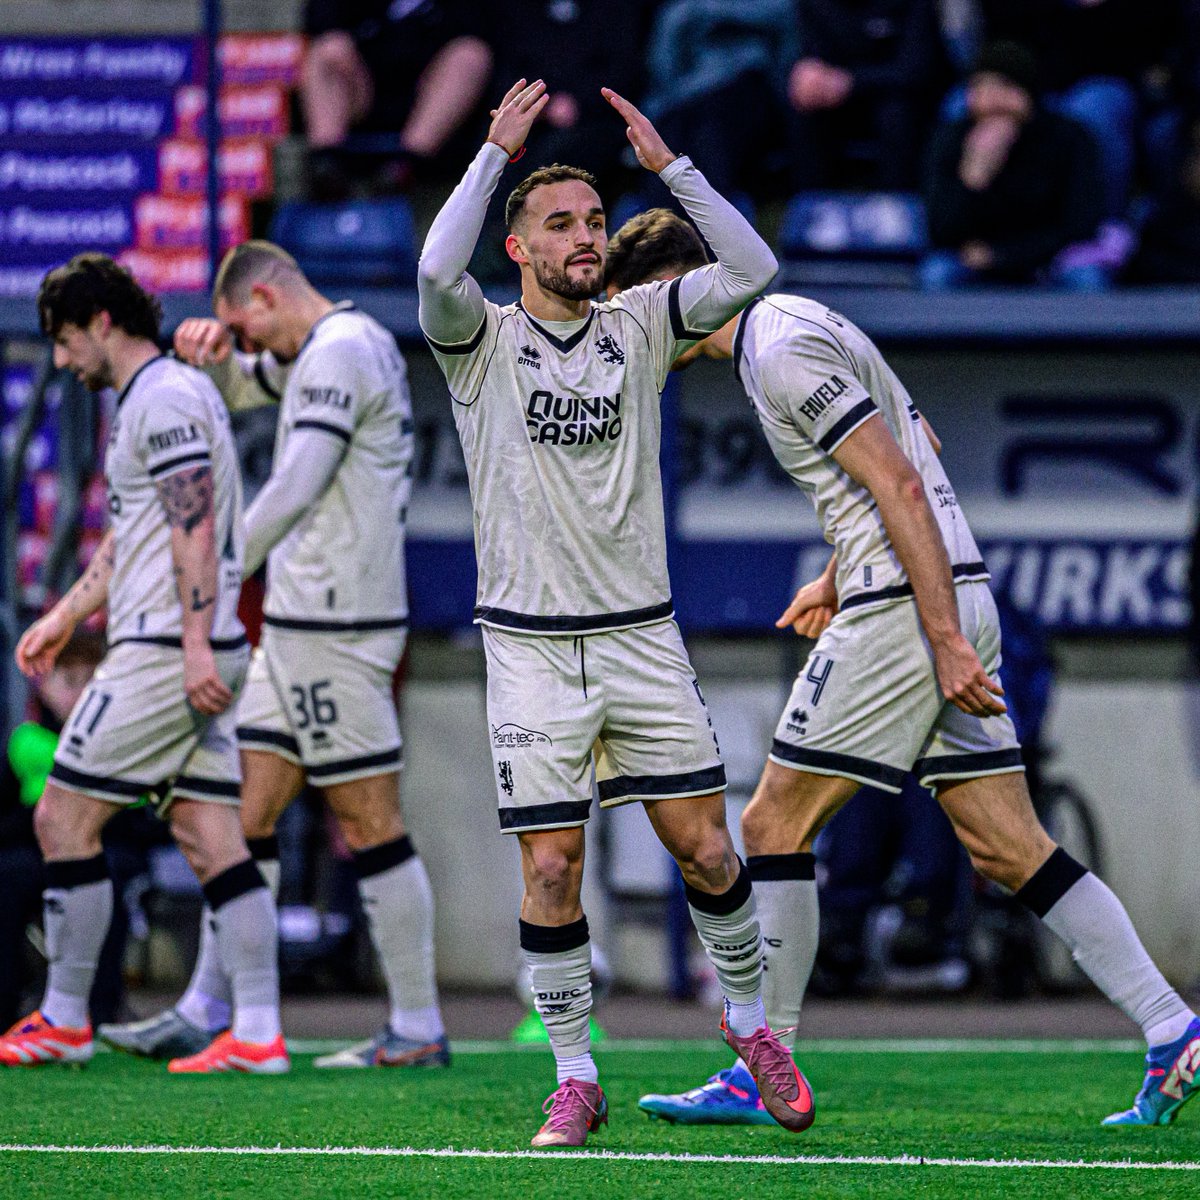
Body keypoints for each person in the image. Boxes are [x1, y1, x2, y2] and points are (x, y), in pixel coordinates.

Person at [599, 209, 1200, 1130]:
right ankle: (1173, 1030)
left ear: (669, 291)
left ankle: (762, 1067)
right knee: (1008, 847)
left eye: (628, 311)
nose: (628, 337)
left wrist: (939, 636)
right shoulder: (805, 324)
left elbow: (904, 484)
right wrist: (841, 574)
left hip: (909, 614)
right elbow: (921, 450)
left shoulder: (777, 349)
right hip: (947, 591)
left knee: (771, 824)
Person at [417, 78, 810, 1147]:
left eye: (594, 220)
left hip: (641, 637)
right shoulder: (480, 340)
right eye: (561, 224)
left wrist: (671, 170)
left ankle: (748, 1024)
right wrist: (492, 158)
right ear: (518, 248)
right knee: (551, 867)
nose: (585, 237)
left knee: (709, 853)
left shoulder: (639, 324)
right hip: (530, 649)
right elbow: (435, 270)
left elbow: (755, 269)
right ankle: (576, 1075)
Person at [98, 242, 448, 1071]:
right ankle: (209, 1008)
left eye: (242, 327)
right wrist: (211, 358)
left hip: (340, 631)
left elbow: (295, 485)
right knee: (241, 816)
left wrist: (214, 577)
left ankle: (418, 1024)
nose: (245, 342)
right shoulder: (320, 351)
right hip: (295, 628)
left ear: (264, 297)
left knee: (368, 820)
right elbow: (237, 390)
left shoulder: (344, 350)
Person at [0, 254, 286, 1073]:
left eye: (65, 341)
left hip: (165, 652)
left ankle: (64, 1017)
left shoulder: (162, 400)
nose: (63, 360)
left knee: (60, 819)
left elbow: (193, 526)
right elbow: (137, 535)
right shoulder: (156, 399)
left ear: (101, 322)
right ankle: (258, 1032)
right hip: (187, 645)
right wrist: (65, 614)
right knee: (211, 837)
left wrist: (192, 644)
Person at [921, 41, 1106, 289]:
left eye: (1004, 86)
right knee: (938, 273)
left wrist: (1003, 256)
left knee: (1087, 278)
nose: (991, 100)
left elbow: (1080, 225)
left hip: (1047, 256)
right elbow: (939, 230)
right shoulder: (952, 139)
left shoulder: (1068, 137)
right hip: (973, 257)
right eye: (980, 87)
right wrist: (974, 177)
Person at [300, 0, 493, 198]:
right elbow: (320, 14)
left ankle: (403, 169)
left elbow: (479, 26)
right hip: (360, 92)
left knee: (470, 55)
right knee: (326, 50)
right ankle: (326, 164)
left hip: (432, 101)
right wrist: (335, 38)